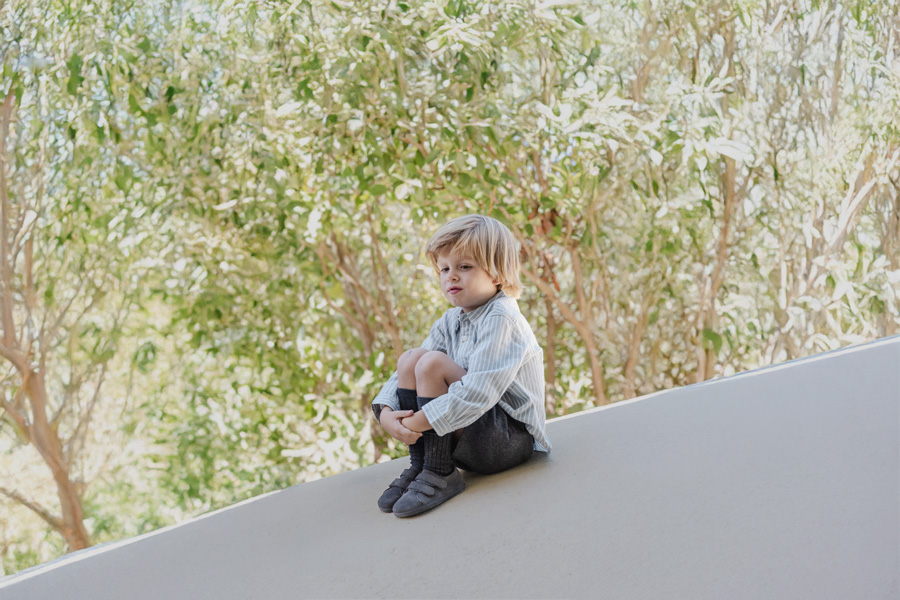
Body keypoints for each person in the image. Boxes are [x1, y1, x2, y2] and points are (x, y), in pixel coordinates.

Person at [371, 214, 552, 518]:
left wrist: (414, 423)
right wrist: (388, 414)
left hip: (507, 443)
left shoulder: (502, 318)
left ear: (497, 274)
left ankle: (440, 471)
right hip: (473, 437)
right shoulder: (450, 321)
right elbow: (407, 371)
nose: (450, 276)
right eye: (444, 268)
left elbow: (478, 393)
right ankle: (422, 464)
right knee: (411, 358)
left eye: (464, 267)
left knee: (431, 364)